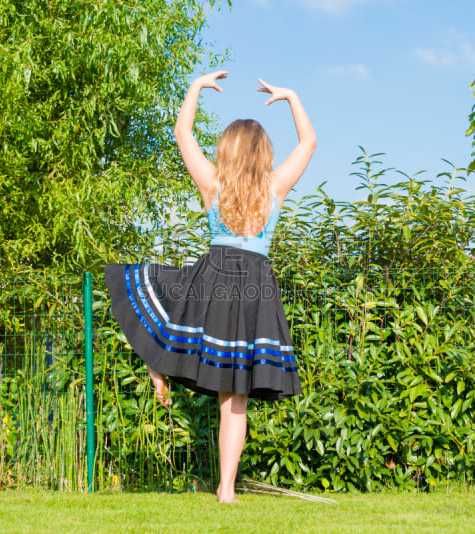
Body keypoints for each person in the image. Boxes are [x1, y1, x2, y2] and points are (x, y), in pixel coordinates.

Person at [105, 70, 316, 503]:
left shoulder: (214, 186)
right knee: (234, 397)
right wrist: (291, 97)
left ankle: (156, 357)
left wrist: (196, 87)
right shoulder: (274, 188)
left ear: (228, 151)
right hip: (254, 285)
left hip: (214, 276)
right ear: (263, 154)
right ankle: (225, 491)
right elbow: (309, 143)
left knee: (168, 300)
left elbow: (183, 133)